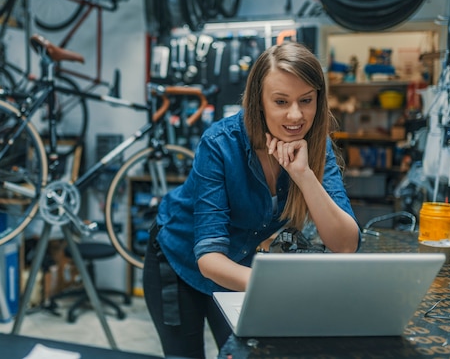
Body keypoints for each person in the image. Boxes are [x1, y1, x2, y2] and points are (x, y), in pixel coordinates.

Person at [142, 41, 361, 359]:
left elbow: (345, 244)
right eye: (281, 101)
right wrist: (278, 287)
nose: (296, 115)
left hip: (238, 264)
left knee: (244, 355)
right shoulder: (220, 143)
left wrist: (303, 175)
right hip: (178, 259)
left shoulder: (316, 147)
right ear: (259, 102)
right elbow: (209, 258)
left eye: (306, 100)